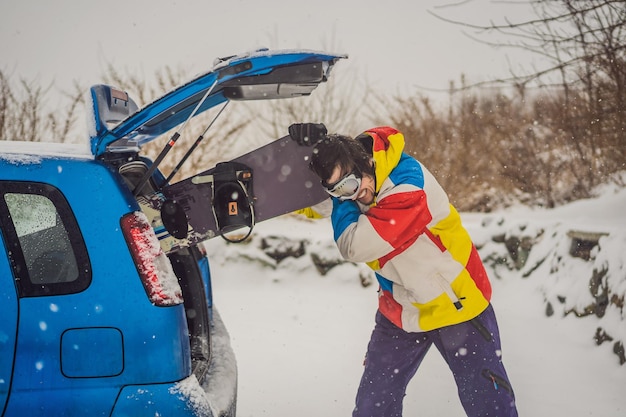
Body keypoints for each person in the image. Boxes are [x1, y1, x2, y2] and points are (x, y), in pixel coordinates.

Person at [288, 123, 518, 417]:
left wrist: (337, 197)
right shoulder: (355, 184)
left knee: (489, 405)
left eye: (350, 187)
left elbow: (355, 245)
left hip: (457, 306)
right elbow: (307, 203)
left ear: (366, 163)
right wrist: (298, 158)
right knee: (374, 406)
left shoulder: (409, 185)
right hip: (400, 309)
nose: (351, 196)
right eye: (337, 191)